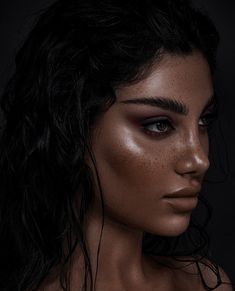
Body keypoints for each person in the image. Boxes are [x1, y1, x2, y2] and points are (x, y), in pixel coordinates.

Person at [0, 0, 233, 290]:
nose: (199, 160)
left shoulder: (206, 281)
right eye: (159, 125)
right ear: (73, 126)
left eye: (203, 122)